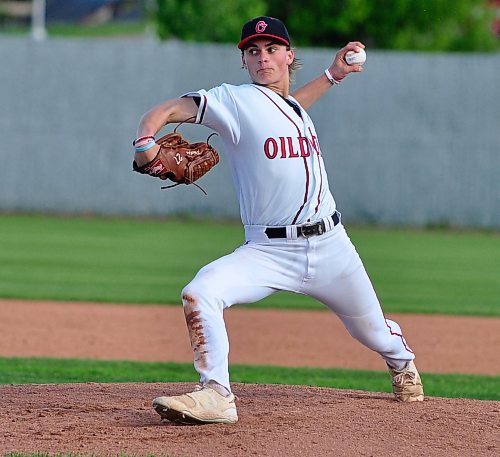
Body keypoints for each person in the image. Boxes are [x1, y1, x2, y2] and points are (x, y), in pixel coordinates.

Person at [133, 16, 424, 425]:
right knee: (200, 293)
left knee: (373, 333)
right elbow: (169, 109)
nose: (262, 57)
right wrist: (146, 138)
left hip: (331, 248)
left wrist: (333, 75)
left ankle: (402, 362)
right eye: (252, 51)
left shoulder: (289, 108)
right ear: (244, 61)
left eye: (271, 49)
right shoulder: (234, 101)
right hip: (268, 251)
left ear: (289, 55)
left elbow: (288, 107)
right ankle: (216, 393)